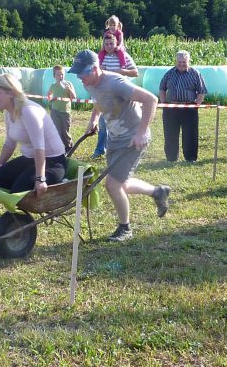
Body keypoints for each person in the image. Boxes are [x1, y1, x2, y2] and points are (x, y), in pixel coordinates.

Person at [69, 49, 171, 242]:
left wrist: (141, 133)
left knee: (112, 184)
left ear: (94, 69)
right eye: (77, 73)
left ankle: (125, 228)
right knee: (121, 182)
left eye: (82, 73)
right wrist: (94, 119)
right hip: (114, 138)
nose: (79, 77)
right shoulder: (90, 83)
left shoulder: (116, 83)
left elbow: (151, 100)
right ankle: (157, 192)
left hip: (132, 138)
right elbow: (98, 101)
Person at [0, 73, 66, 198]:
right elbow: (9, 143)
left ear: (11, 93)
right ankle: (15, 216)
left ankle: (60, 180)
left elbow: (39, 148)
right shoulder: (9, 112)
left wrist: (40, 179)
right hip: (29, 159)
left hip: (53, 161)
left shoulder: (28, 111)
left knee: (17, 192)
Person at [91, 33, 139, 159]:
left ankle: (126, 149)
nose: (109, 46)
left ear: (116, 43)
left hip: (121, 96)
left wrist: (122, 71)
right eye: (106, 44)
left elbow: (135, 72)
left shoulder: (124, 56)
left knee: (121, 124)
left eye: (111, 43)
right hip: (105, 95)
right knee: (103, 123)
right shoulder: (100, 58)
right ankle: (100, 150)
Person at [159, 50, 208, 162]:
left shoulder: (195, 74)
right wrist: (164, 103)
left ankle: (190, 158)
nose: (181, 64)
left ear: (188, 61)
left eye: (184, 62)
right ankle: (171, 158)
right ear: (176, 61)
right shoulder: (169, 73)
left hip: (189, 108)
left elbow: (202, 91)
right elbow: (162, 88)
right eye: (179, 62)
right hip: (171, 108)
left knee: (190, 134)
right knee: (170, 134)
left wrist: (197, 105)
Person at [47, 65, 76, 151]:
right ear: (54, 76)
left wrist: (69, 90)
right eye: (58, 75)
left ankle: (69, 147)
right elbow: (49, 95)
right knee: (57, 131)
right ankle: (60, 148)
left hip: (65, 111)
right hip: (55, 111)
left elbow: (74, 97)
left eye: (62, 74)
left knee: (65, 131)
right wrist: (51, 99)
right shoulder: (53, 86)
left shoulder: (68, 84)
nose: (61, 76)